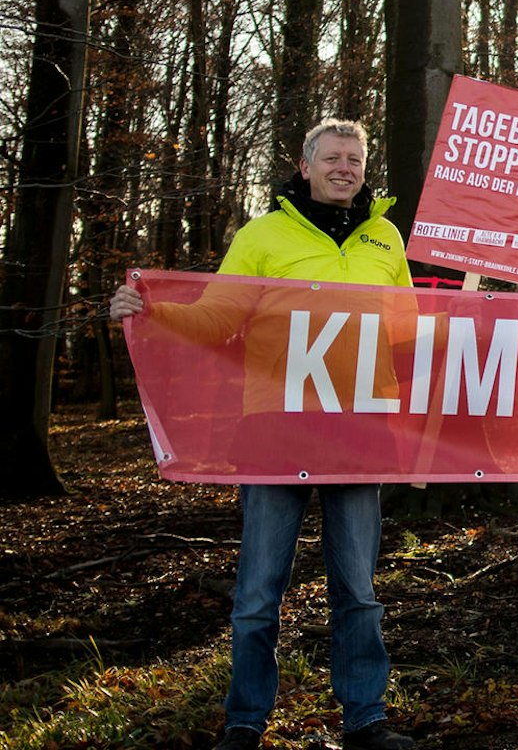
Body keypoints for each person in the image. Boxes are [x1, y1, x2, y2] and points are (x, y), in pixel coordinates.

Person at [111, 119, 417, 750]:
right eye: (332, 158)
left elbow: (407, 328)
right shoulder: (263, 235)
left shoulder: (386, 237)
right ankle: (246, 721)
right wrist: (151, 312)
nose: (344, 169)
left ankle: (365, 718)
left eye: (354, 159)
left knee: (358, 589)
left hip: (361, 429)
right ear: (305, 167)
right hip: (276, 427)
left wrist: (482, 319)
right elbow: (217, 318)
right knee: (257, 591)